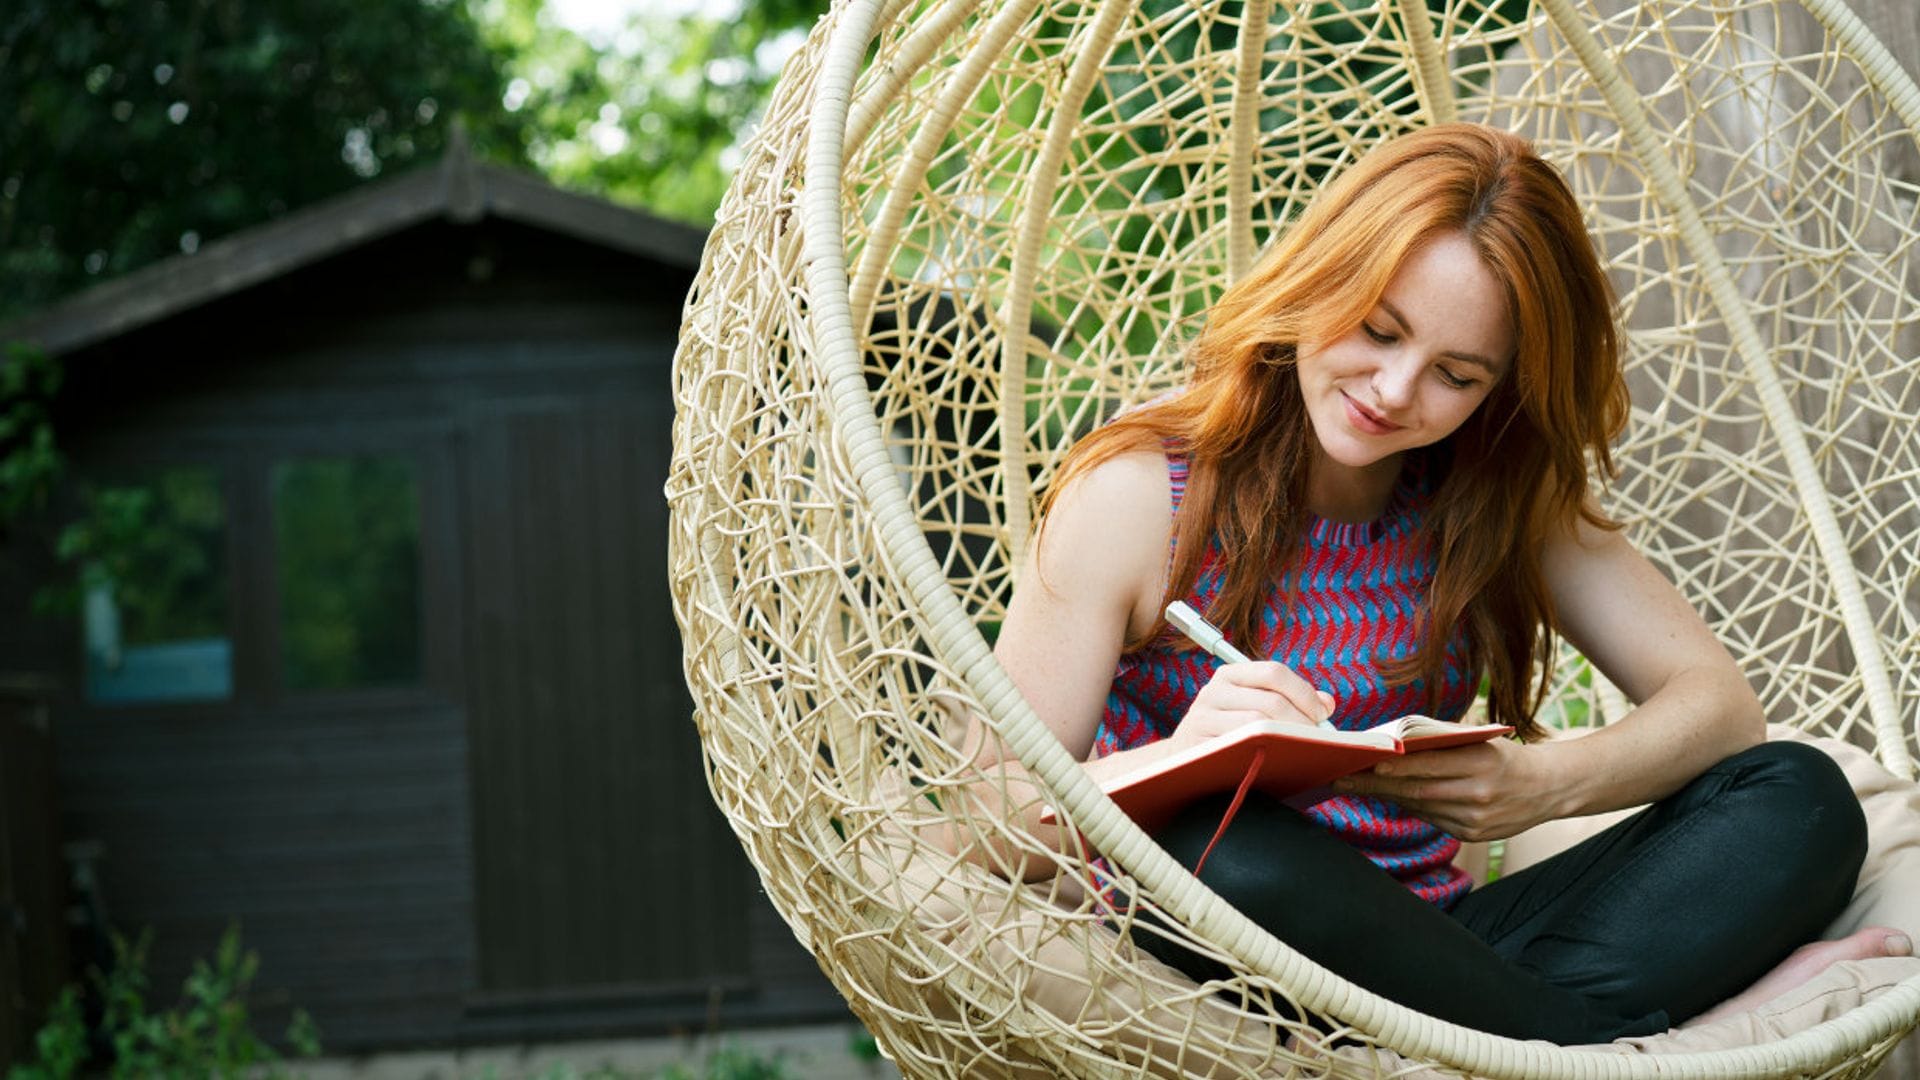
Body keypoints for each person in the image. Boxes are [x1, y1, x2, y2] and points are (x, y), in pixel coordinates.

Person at [969, 123, 1907, 1043]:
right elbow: (986, 822)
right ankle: (1635, 1041)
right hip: (1223, 934)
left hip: (1449, 958)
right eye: (1377, 330)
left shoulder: (1492, 493)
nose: (1393, 390)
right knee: (1219, 847)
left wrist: (1544, 784)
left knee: (1801, 796)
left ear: (1498, 389)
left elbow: (1721, 707)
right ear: (1321, 276)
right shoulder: (1142, 494)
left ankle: (1539, 1039)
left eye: (1455, 375)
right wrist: (1183, 764)